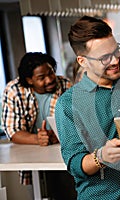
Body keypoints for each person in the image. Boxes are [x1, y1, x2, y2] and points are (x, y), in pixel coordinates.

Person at [55, 16, 120, 199]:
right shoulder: (68, 104)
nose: (114, 61)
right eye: (105, 57)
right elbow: (75, 164)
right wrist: (101, 157)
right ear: (82, 61)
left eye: (116, 51)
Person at [1, 52, 73, 198]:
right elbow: (13, 131)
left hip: (61, 154)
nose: (50, 79)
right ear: (29, 80)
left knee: (68, 191)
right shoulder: (13, 91)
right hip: (32, 157)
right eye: (41, 78)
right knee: (38, 192)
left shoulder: (65, 84)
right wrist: (38, 139)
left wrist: (58, 136)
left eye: (51, 72)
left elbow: (78, 124)